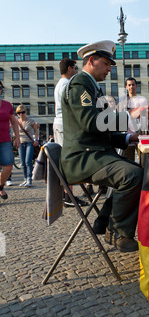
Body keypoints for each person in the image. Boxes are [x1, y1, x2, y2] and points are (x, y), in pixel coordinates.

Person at [60, 40, 143, 252]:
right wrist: (128, 116)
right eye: (106, 63)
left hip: (94, 154)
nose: (109, 69)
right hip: (82, 158)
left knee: (138, 171)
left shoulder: (91, 87)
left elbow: (101, 130)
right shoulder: (81, 84)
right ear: (91, 60)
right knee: (133, 175)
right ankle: (117, 233)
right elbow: (91, 122)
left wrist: (127, 139)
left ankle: (104, 221)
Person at [53, 58, 89, 207]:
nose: (76, 71)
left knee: (64, 159)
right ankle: (68, 196)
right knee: (67, 159)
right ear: (69, 69)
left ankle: (66, 194)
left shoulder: (58, 85)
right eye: (75, 68)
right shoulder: (68, 84)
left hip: (59, 122)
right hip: (65, 124)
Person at [0, 82, 20, 200]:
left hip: (5, 140)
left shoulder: (7, 105)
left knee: (9, 167)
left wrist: (17, 137)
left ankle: (0, 186)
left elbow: (14, 122)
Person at [16, 104, 39, 187]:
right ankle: (25, 179)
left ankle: (29, 179)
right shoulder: (17, 122)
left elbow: (36, 131)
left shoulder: (31, 121)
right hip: (21, 144)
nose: (21, 114)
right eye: (18, 113)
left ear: (26, 112)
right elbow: (15, 132)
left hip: (29, 142)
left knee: (28, 161)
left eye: (22, 112)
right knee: (22, 163)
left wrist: (36, 139)